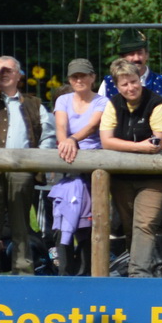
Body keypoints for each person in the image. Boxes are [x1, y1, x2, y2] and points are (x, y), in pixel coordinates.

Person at [0, 55, 56, 275]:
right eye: (1, 70)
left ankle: (23, 270)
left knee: (20, 225)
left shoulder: (34, 104)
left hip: (22, 170)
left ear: (19, 76)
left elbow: (48, 135)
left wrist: (37, 162)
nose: (4, 74)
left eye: (9, 70)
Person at [99, 59, 162, 278]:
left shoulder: (157, 104)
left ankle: (138, 275)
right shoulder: (113, 104)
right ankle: (147, 271)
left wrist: (131, 147)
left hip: (152, 178)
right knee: (130, 227)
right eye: (124, 85)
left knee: (146, 224)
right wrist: (138, 146)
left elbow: (158, 142)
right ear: (117, 86)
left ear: (140, 80)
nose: (130, 88)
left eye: (133, 82)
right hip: (122, 178)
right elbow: (106, 141)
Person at [48, 59, 108, 276]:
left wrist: (71, 140)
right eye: (74, 76)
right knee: (62, 217)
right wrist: (65, 142)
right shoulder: (63, 99)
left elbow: (93, 126)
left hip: (92, 165)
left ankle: (86, 272)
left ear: (93, 77)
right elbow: (60, 124)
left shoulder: (103, 101)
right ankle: (64, 272)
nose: (79, 80)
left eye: (83, 75)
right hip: (67, 161)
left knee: (87, 222)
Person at [101, 29, 162, 101]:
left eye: (140, 53)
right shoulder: (108, 83)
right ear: (122, 58)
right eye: (131, 54)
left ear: (146, 55)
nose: (136, 58)